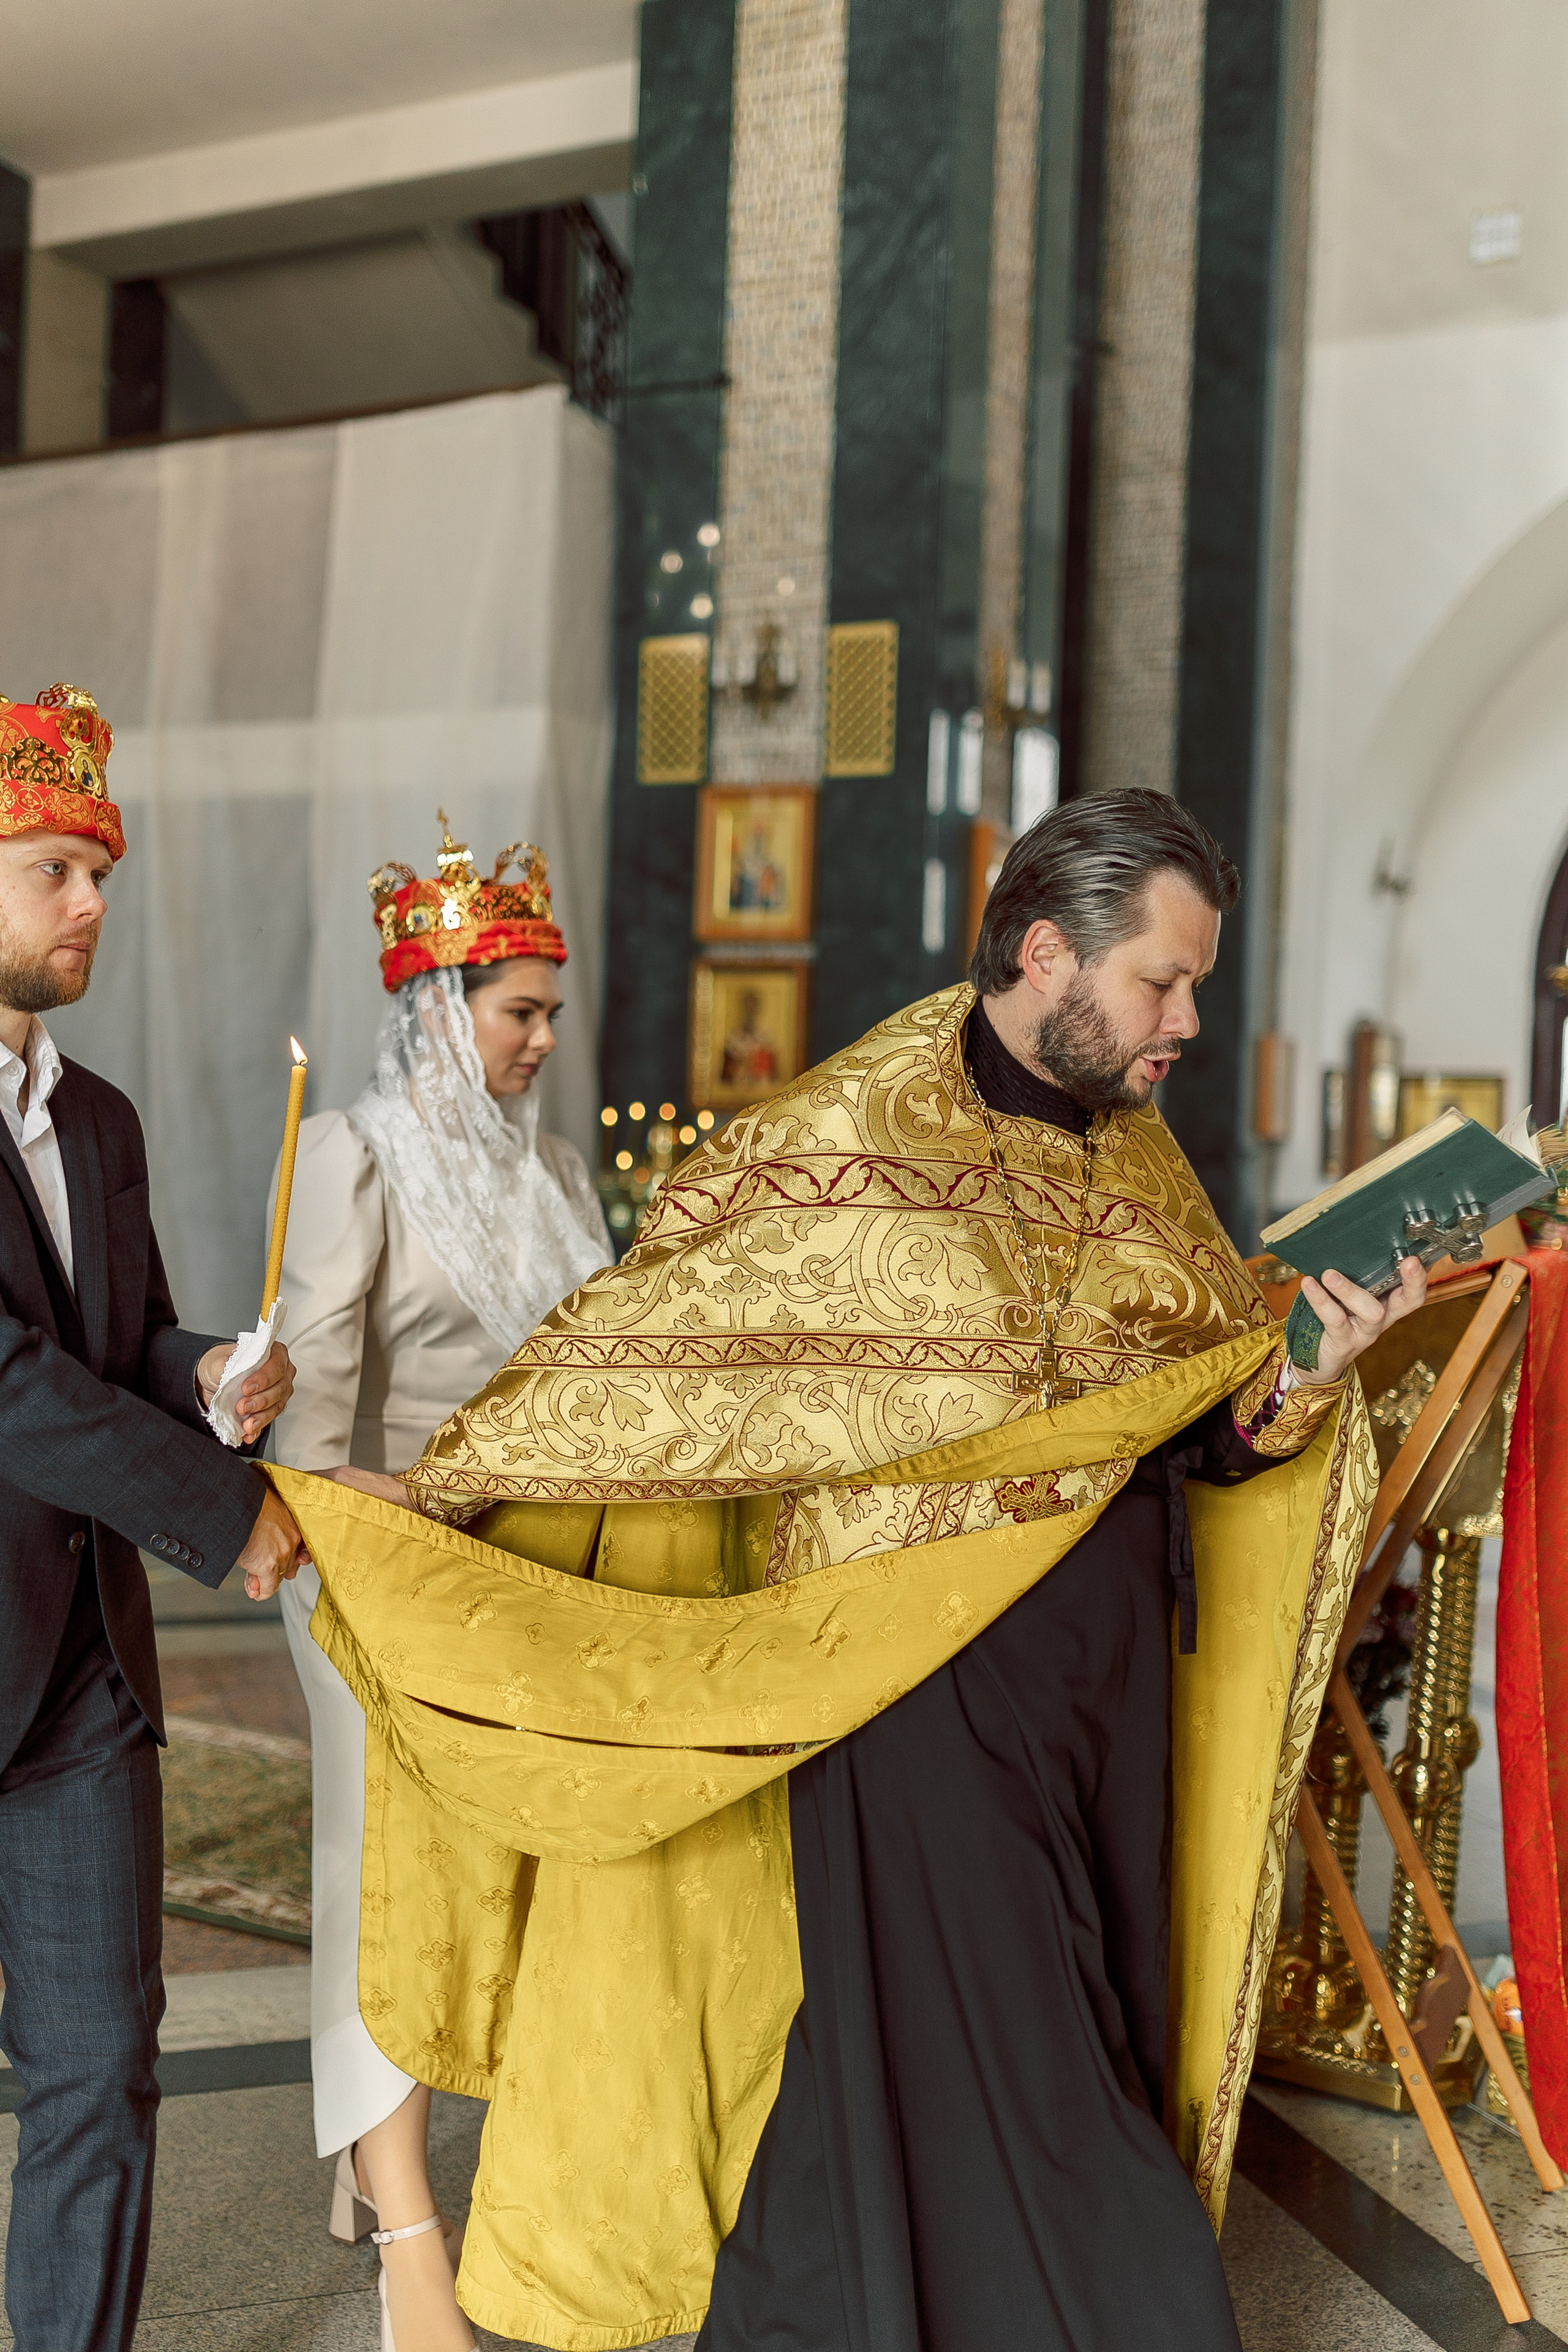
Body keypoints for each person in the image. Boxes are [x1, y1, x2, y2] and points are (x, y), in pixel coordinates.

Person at [276, 790, 1423, 2350]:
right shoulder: (853, 1127)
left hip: (1104, 1691)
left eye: (1194, 982)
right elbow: (658, 1343)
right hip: (907, 1677)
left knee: (997, 2035)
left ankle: (819, 2311)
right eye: (1161, 980)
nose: (1185, 1020)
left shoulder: (1143, 1161)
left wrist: (1294, 1375)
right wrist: (442, 1483)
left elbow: (1196, 1415)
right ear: (1044, 954)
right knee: (1035, 2064)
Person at [271, 816, 609, 2352]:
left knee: (513, 1889)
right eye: (517, 1011)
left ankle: (388, 2161)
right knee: (378, 1886)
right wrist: (411, 1513)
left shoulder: (546, 1179)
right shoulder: (355, 1152)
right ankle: (410, 2231)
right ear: (437, 1007)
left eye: (550, 1012)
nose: (542, 1040)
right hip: (372, 1567)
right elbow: (311, 1413)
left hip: (517, 1577)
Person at [0, 683, 302, 2352]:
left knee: (102, 2080)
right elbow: (11, 1387)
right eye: (54, 868)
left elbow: (116, 1347)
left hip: (81, 1697)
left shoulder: (98, 1121)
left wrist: (212, 1380)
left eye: (99, 869)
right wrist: (223, 1508)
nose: (93, 899)